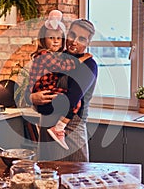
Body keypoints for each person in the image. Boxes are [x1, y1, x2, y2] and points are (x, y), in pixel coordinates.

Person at [29, 18, 97, 161]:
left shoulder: (89, 65)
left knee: (76, 177)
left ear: (88, 43)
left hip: (70, 130)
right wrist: (32, 98)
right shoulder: (56, 57)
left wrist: (44, 104)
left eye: (82, 39)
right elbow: (26, 91)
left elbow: (71, 99)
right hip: (46, 126)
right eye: (72, 35)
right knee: (47, 178)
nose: (74, 41)